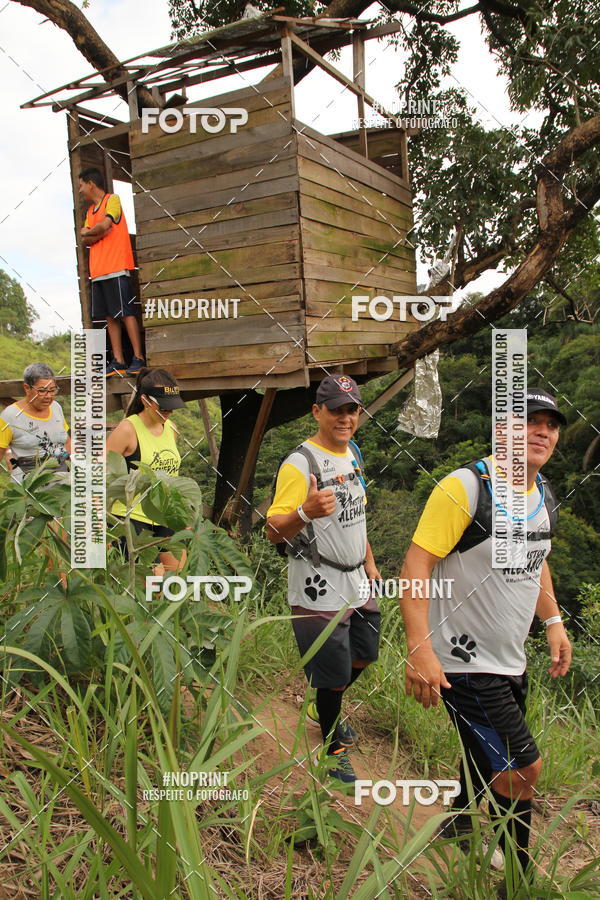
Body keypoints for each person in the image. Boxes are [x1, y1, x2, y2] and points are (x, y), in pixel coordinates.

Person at [398, 388, 572, 897]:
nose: (542, 431)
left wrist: (554, 620)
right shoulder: (468, 487)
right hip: (463, 657)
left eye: (551, 424)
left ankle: (458, 821)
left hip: (509, 656)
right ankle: (516, 878)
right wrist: (418, 646)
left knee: (484, 749)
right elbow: (416, 564)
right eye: (529, 421)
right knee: (522, 767)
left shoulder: (543, 495)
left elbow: (535, 561)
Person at [266, 374, 381, 784]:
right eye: (337, 409)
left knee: (366, 653)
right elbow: (272, 530)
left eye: (352, 409)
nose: (346, 417)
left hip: (356, 577)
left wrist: (369, 560)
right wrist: (304, 513)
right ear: (317, 412)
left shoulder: (354, 453)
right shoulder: (301, 464)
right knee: (331, 677)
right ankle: (333, 749)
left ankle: (321, 706)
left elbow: (359, 512)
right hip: (318, 581)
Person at [106, 367, 186, 573]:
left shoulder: (171, 428)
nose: (169, 411)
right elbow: (100, 474)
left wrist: (183, 516)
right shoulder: (126, 430)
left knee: (176, 580)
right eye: (164, 407)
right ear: (145, 400)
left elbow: (173, 477)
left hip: (166, 514)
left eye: (172, 406)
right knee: (149, 586)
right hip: (133, 520)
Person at [79, 167, 146, 377]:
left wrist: (95, 231)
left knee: (125, 313)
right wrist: (96, 231)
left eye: (81, 185)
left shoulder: (112, 200)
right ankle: (118, 360)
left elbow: (106, 225)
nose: (80, 190)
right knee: (109, 317)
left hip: (116, 267)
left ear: (91, 183)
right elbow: (86, 237)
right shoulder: (90, 212)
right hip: (98, 271)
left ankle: (138, 357)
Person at [0, 363, 70, 481]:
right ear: (27, 388)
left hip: (63, 486)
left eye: (52, 390)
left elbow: (67, 442)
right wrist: (8, 452)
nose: (48, 396)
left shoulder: (56, 407)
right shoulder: (9, 416)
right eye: (42, 391)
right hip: (30, 488)